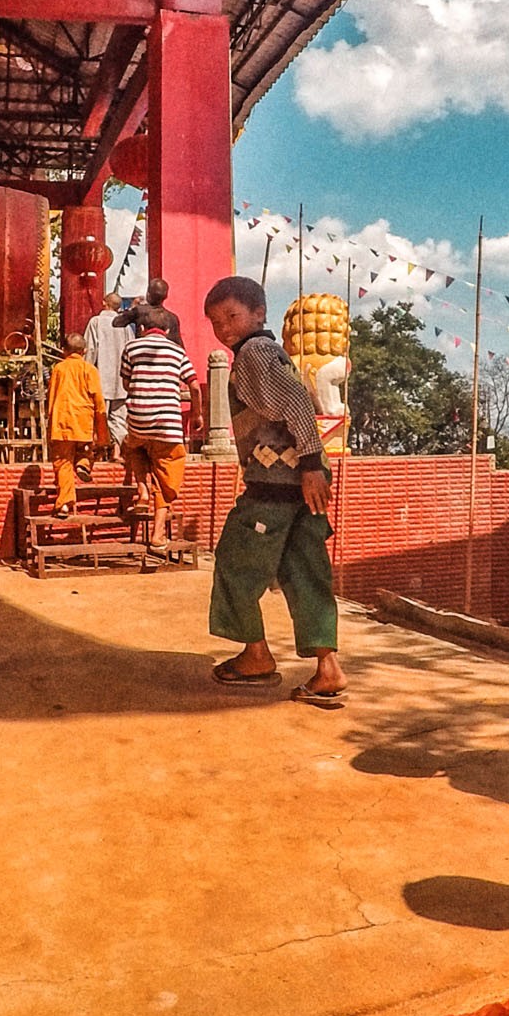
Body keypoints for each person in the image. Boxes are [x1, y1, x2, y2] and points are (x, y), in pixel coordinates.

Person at [202, 275, 346, 707]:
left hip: (276, 484)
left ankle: (256, 657)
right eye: (214, 321)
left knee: (234, 564)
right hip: (302, 481)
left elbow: (298, 404)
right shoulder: (272, 353)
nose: (224, 328)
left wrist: (306, 465)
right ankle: (327, 668)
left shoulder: (254, 353)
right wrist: (313, 465)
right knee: (304, 571)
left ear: (259, 314)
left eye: (232, 316)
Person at [116, 304, 199, 544]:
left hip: (138, 420)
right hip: (168, 425)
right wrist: (196, 414)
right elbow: (193, 385)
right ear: (168, 329)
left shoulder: (131, 347)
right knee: (166, 477)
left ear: (141, 327)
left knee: (133, 447)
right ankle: (157, 534)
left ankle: (142, 490)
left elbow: (126, 383)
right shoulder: (177, 351)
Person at [47, 331, 109, 518]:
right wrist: (102, 432)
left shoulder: (59, 369)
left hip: (62, 422)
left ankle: (64, 504)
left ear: (64, 351)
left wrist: (51, 423)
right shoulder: (90, 370)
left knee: (63, 462)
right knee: (87, 450)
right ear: (84, 351)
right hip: (84, 422)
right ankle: (83, 464)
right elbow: (99, 401)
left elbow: (51, 397)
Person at [85, 297, 135, 445]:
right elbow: (130, 350)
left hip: (101, 378)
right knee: (119, 419)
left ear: (104, 303)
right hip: (121, 381)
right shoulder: (125, 327)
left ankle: (96, 451)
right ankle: (118, 451)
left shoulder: (96, 322)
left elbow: (90, 350)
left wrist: (86, 374)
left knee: (98, 417)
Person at [114, 276, 182, 346]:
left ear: (148, 294)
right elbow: (178, 344)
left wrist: (132, 307)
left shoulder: (139, 311)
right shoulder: (172, 319)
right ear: (166, 296)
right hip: (164, 354)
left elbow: (117, 322)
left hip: (141, 353)